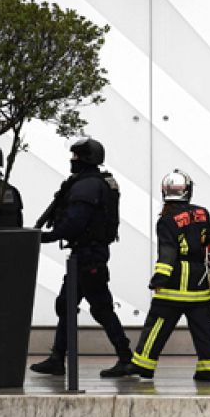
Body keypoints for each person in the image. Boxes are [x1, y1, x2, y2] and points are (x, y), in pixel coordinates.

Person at [31, 137, 135, 378]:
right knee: (67, 305)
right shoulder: (94, 182)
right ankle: (57, 358)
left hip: (89, 256)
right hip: (85, 254)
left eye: (76, 156)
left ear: (86, 158)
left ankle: (126, 357)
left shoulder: (87, 186)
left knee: (101, 308)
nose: (72, 160)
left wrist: (45, 237)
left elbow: (75, 222)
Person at [129, 169, 210, 381]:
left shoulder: (167, 219)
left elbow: (168, 252)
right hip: (200, 282)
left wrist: (159, 279)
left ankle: (143, 364)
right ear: (188, 191)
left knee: (158, 324)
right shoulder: (202, 213)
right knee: (203, 329)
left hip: (175, 283)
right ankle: (208, 369)